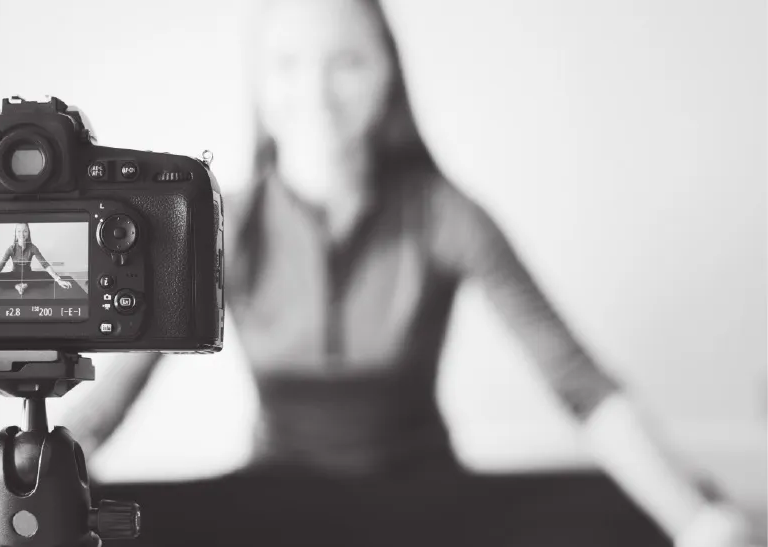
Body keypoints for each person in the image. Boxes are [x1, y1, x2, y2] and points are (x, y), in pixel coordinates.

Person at [66, 1, 757, 545]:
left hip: (424, 506)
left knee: (651, 508)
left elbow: (579, 384)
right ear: (259, 83)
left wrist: (693, 521)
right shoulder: (217, 227)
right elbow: (109, 402)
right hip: (273, 508)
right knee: (82, 515)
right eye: (286, 64)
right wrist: (44, 476)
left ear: (386, 74)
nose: (315, 90)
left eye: (346, 61)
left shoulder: (446, 214)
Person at [0, 223, 72, 295]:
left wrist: (59, 280)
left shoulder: (33, 248)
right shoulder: (11, 249)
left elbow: (45, 264)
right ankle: (16, 285)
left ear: (28, 233)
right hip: (14, 276)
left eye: (25, 231)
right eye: (19, 231)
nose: (22, 234)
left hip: (29, 276)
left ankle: (25, 284)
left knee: (50, 276)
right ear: (15, 233)